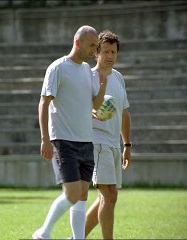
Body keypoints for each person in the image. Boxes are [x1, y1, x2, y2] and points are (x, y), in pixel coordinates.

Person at [32, 25, 107, 240]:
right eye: (92, 45)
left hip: (86, 142)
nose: (95, 50)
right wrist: (45, 139)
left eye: (97, 46)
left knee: (82, 196)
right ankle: (43, 233)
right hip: (64, 141)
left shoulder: (87, 71)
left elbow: (96, 105)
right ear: (77, 42)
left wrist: (102, 85)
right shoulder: (58, 68)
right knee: (73, 194)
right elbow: (44, 103)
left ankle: (78, 238)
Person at [84, 30, 132, 239]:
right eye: (106, 52)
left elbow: (124, 112)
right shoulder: (88, 77)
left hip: (113, 144)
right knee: (109, 194)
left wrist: (127, 145)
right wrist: (93, 114)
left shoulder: (119, 78)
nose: (110, 56)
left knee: (109, 197)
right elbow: (78, 109)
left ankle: (77, 237)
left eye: (113, 52)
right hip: (96, 141)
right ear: (97, 52)